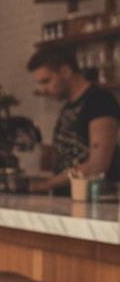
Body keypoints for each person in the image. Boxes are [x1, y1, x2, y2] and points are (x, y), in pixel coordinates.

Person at [26, 46, 120, 194]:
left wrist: (45, 185)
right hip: (68, 202)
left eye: (46, 81)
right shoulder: (68, 106)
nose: (43, 89)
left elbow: (97, 165)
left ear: (66, 72)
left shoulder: (100, 101)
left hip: (94, 203)